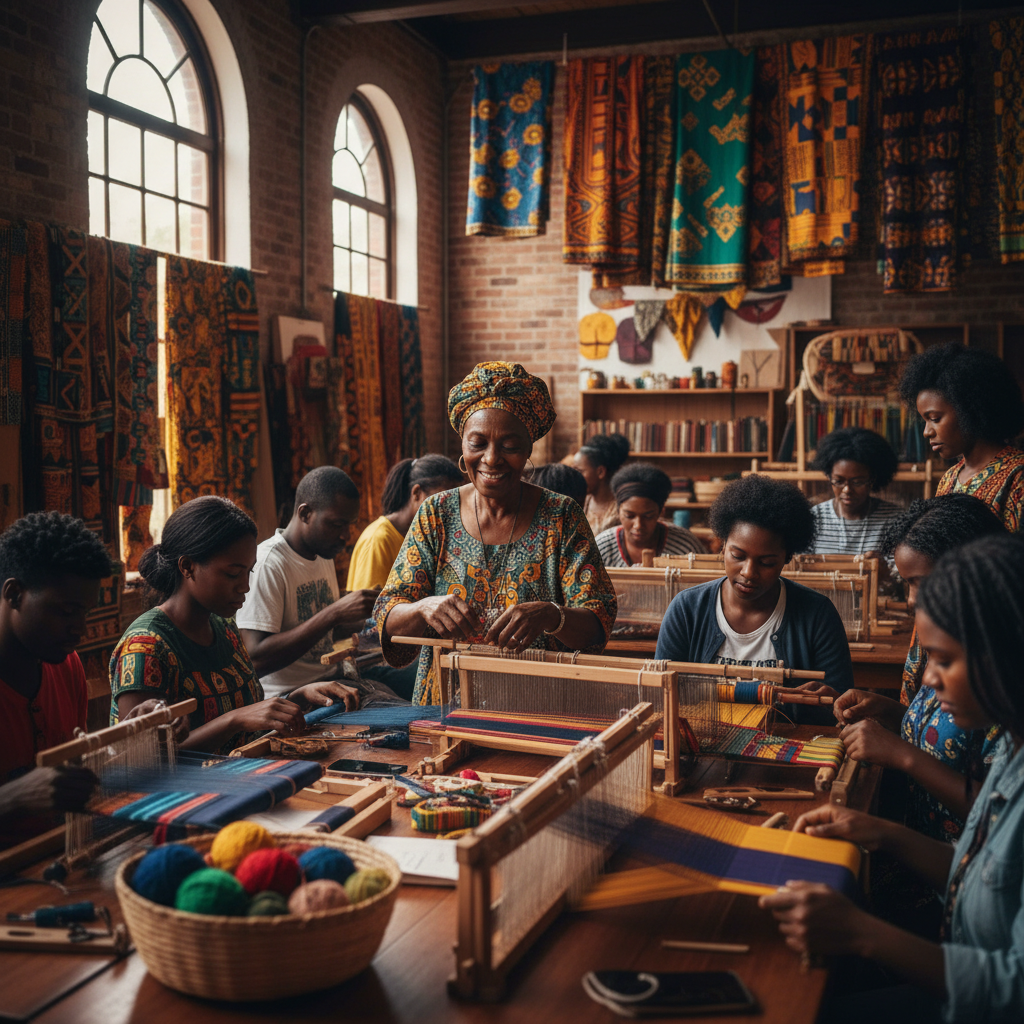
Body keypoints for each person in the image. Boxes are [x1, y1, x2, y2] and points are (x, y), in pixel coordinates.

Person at [760, 535, 1024, 1024]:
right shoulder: (1013, 748)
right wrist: (879, 832)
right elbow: (977, 877)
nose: (928, 679)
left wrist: (862, 933)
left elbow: (1013, 988)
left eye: (944, 661)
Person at [374, 361, 617, 705]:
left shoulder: (561, 517)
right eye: (478, 443)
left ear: (529, 449)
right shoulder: (436, 514)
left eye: (509, 445)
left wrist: (552, 614)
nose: (491, 458)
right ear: (462, 446)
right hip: (445, 707)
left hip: (536, 709)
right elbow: (389, 617)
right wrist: (423, 608)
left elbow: (597, 621)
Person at [111, 496, 357, 755]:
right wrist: (234, 720)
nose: (245, 587)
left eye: (248, 572)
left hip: (243, 772)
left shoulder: (225, 628)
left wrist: (296, 698)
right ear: (187, 567)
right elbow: (141, 756)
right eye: (232, 574)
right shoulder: (145, 647)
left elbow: (248, 717)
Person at [832, 495, 1005, 843]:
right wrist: (888, 711)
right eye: (907, 583)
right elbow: (943, 739)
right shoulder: (944, 642)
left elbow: (1000, 818)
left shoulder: (999, 669)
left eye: (920, 582)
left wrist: (902, 756)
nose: (911, 599)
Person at [655, 475, 853, 724]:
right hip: (704, 744)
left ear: (787, 557)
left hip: (785, 750)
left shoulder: (817, 615)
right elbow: (663, 695)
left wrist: (825, 703)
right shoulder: (687, 610)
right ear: (723, 545)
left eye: (766, 562)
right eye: (737, 555)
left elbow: (840, 706)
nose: (748, 572)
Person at [0, 512, 111, 846]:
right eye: (66, 611)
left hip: (58, 857)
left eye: (85, 613)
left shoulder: (67, 667)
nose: (80, 629)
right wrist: (11, 799)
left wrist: (134, 733)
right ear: (15, 594)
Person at [237, 467, 378, 700]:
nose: (346, 535)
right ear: (305, 514)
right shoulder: (269, 563)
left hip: (330, 681)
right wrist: (334, 613)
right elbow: (255, 659)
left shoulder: (322, 553)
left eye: (349, 525)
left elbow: (318, 635)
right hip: (288, 697)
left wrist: (373, 613)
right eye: (336, 524)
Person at [899, 342, 1024, 531]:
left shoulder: (1017, 475)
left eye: (935, 418)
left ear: (970, 410)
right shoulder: (949, 479)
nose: (927, 432)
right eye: (924, 421)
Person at [347, 456, 463, 591]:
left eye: (455, 504)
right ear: (417, 493)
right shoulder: (378, 539)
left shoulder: (426, 538)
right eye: (443, 502)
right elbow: (369, 608)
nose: (450, 512)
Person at [807, 426, 902, 555]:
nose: (847, 490)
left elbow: (901, 572)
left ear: (873, 479)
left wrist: (883, 569)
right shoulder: (814, 519)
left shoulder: (895, 519)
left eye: (857, 482)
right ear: (829, 477)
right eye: (839, 481)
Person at [595, 464, 705, 567]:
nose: (638, 525)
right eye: (629, 516)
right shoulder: (601, 549)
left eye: (648, 516)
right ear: (618, 511)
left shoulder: (686, 546)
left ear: (661, 512)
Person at [574, 432, 630, 535]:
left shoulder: (624, 509)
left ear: (600, 472)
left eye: (580, 471)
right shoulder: (583, 502)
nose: (575, 476)